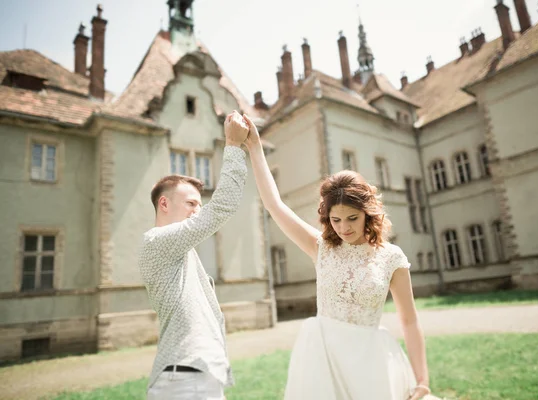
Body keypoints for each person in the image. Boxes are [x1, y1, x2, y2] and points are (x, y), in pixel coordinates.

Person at [242, 113, 435, 400]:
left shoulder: (391, 258)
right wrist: (254, 147)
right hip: (323, 359)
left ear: (368, 214)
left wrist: (422, 379)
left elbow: (409, 321)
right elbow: (274, 204)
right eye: (335, 220)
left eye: (352, 218)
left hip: (371, 362)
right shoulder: (321, 247)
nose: (343, 228)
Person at [139, 110, 249, 400]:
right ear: (164, 203)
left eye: (200, 205)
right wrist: (233, 146)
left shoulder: (180, 250)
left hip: (194, 378)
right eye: (190, 203)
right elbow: (222, 206)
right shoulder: (157, 241)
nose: (198, 210)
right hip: (184, 383)